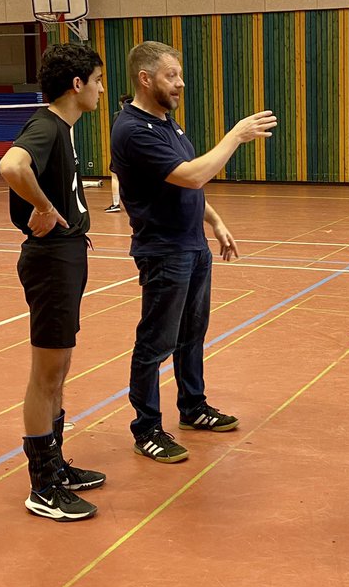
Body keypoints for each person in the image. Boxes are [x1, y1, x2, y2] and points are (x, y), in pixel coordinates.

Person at [110, 40, 277, 464]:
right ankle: (146, 427)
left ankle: (193, 407)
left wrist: (215, 222)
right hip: (164, 252)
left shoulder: (168, 124)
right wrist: (235, 136)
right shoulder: (132, 129)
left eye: (180, 75)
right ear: (145, 79)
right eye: (172, 76)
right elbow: (192, 173)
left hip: (192, 246)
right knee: (155, 342)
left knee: (192, 335)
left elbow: (190, 186)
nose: (180, 83)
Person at [0, 43, 107, 522]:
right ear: (77, 84)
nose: (103, 90)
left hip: (65, 257)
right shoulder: (45, 126)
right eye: (99, 81)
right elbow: (11, 166)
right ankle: (42, 487)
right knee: (46, 375)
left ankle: (55, 465)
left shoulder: (63, 130)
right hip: (49, 262)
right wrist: (43, 208)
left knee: (58, 370)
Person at [105, 94, 132, 212]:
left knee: (115, 176)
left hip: (120, 151)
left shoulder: (118, 116)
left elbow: (114, 135)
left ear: (121, 104)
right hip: (135, 151)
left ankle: (116, 204)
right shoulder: (140, 115)